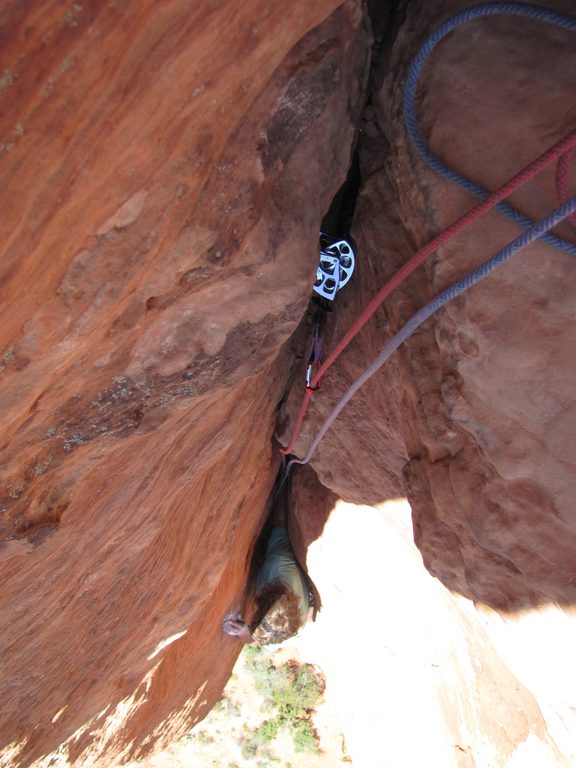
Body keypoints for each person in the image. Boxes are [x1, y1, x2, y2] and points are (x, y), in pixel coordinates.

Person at [222, 473, 311, 645]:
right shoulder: (276, 565)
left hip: (295, 588)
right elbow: (256, 641)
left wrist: (243, 632)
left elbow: (257, 641)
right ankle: (286, 479)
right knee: (278, 524)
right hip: (282, 558)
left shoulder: (287, 625)